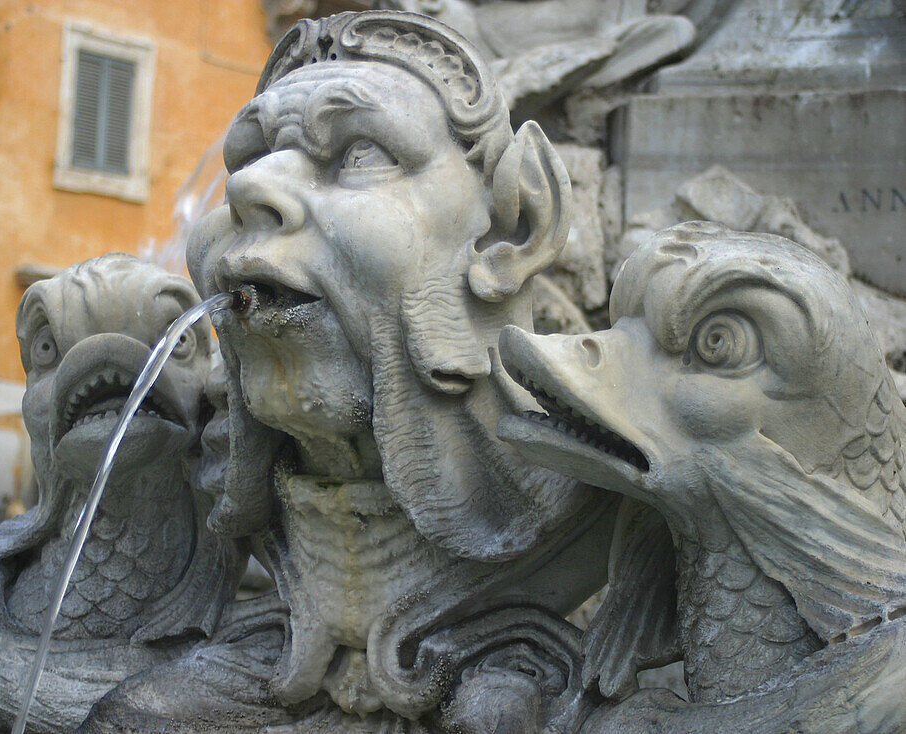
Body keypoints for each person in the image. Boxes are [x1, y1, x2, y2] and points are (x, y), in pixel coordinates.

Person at [85, 11, 616, 732]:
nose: (249, 188)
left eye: (360, 153)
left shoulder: (614, 491)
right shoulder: (202, 480)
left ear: (513, 230)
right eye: (249, 156)